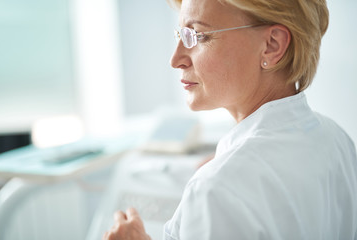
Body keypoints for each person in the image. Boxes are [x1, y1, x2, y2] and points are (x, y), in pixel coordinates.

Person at [103, 0, 357, 239]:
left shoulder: (215, 190)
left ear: (272, 45)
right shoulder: (337, 140)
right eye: (180, 35)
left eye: (197, 35)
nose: (176, 60)